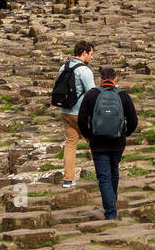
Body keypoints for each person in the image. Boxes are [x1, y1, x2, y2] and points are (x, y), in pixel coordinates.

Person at [77, 66, 138, 220]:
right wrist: (125, 133)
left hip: (98, 142)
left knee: (104, 176)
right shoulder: (123, 95)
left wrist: (89, 136)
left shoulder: (92, 95)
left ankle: (110, 212)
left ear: (100, 79)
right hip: (117, 141)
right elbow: (133, 120)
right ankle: (112, 202)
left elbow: (81, 120)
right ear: (115, 79)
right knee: (114, 172)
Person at [56, 41, 96, 188]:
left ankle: (68, 179)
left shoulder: (63, 67)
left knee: (70, 144)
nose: (92, 57)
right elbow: (92, 94)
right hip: (80, 113)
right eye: (91, 54)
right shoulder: (85, 71)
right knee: (94, 142)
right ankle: (103, 174)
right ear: (84, 53)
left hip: (65, 111)